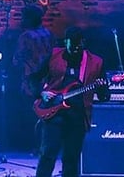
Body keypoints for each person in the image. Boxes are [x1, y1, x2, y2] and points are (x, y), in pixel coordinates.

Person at [29, 27, 109, 177]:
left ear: (83, 43)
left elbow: (104, 96)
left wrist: (102, 87)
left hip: (78, 117)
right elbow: (33, 78)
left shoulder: (96, 62)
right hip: (54, 115)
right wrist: (41, 93)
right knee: (47, 155)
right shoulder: (54, 55)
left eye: (78, 47)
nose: (74, 51)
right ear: (65, 42)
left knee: (71, 159)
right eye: (71, 47)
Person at [10, 3, 54, 151]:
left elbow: (17, 60)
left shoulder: (26, 37)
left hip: (31, 82)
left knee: (31, 114)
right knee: (47, 114)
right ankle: (45, 145)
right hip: (48, 81)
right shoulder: (48, 34)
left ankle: (33, 146)